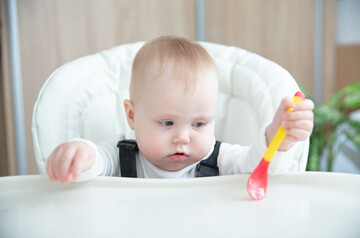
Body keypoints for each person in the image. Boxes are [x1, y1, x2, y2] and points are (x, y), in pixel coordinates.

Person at [46, 36, 314, 184]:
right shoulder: (121, 155)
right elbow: (96, 162)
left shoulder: (218, 158)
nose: (183, 138)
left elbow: (256, 166)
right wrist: (79, 154)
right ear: (132, 115)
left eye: (199, 124)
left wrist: (277, 139)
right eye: (166, 123)